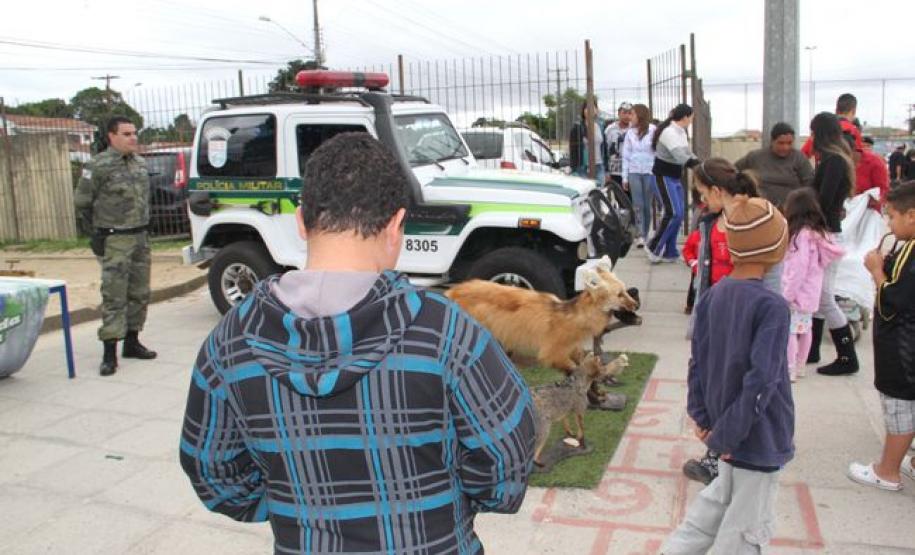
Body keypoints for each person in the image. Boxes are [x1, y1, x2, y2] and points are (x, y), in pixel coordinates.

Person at [179, 132, 535, 554]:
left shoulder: (229, 343)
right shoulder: (446, 332)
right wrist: (448, 500)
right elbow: (507, 458)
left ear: (300, 220)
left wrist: (292, 506)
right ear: (396, 225)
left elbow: (213, 472)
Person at [663, 195, 792, 554]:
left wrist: (705, 420)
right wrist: (725, 437)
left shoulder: (712, 296)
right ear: (777, 250)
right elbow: (761, 381)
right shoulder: (772, 307)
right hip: (756, 437)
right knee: (744, 530)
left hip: (724, 428)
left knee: (711, 512)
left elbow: (697, 362)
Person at [680, 158, 758, 486]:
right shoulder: (709, 221)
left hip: (744, 317)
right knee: (714, 383)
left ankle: (726, 455)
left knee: (738, 386)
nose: (701, 200)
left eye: (702, 193)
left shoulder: (755, 216)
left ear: (716, 190)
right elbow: (704, 274)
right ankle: (718, 451)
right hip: (715, 315)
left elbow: (771, 273)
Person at [73, 116, 157, 376]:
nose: (133, 138)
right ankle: (109, 352)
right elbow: (82, 202)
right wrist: (96, 234)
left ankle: (132, 341)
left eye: (134, 133)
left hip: (140, 237)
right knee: (114, 295)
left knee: (140, 292)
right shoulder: (97, 165)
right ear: (112, 136)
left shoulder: (140, 163)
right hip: (115, 239)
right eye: (126, 134)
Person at [847, 181, 915, 491]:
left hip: (903, 347)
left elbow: (895, 301)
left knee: (900, 407)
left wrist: (876, 269)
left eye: (892, 216)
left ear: (911, 215)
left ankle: (887, 471)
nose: (889, 223)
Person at [806, 112, 861, 376]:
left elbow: (824, 199)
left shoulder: (833, 161)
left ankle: (847, 356)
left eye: (813, 132)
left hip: (826, 234)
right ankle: (812, 349)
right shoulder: (834, 159)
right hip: (826, 232)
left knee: (825, 298)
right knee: (819, 294)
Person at [780, 188, 844, 382]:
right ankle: (800, 366)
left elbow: (798, 269)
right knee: (805, 329)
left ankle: (790, 367)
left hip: (797, 293)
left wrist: (787, 294)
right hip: (811, 293)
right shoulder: (818, 235)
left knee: (790, 331)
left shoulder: (799, 237)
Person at [648, 103, 700, 263]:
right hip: (663, 177)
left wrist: (700, 163)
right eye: (691, 117)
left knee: (679, 214)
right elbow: (680, 156)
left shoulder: (681, 132)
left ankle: (670, 252)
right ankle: (653, 247)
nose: (692, 120)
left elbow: (687, 152)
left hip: (674, 177)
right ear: (685, 117)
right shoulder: (669, 132)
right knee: (672, 213)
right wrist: (698, 166)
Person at [735, 122, 813, 207]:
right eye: (781, 143)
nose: (785, 147)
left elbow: (810, 184)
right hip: (760, 208)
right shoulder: (755, 157)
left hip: (790, 209)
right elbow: (733, 171)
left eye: (789, 143)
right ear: (772, 141)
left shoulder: (799, 158)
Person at [621, 103, 656, 247]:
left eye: (633, 114)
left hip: (649, 171)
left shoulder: (653, 130)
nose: (630, 117)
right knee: (637, 204)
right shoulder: (630, 133)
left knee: (647, 205)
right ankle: (640, 234)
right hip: (634, 171)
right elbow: (626, 155)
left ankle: (646, 233)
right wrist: (625, 176)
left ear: (640, 115)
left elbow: (657, 151)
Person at [801, 93, 864, 158]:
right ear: (854, 111)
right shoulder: (854, 131)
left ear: (836, 110)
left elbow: (803, 154)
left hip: (823, 163)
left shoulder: (822, 128)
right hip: (846, 163)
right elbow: (859, 157)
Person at [570, 98, 605, 185]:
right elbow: (573, 150)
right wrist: (574, 169)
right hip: (583, 167)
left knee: (599, 191)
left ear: (596, 110)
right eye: (587, 108)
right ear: (583, 111)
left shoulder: (600, 125)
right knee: (586, 191)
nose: (589, 110)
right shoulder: (577, 127)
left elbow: (604, 147)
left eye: (593, 107)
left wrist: (606, 168)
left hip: (599, 165)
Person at [853, 138, 890, 208]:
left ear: (872, 147)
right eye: (863, 146)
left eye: (868, 146)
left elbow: (883, 187)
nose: (866, 148)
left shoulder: (878, 161)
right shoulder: (854, 159)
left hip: (869, 206)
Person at [605, 101, 634, 187]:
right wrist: (606, 172)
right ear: (618, 113)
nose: (627, 116)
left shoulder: (634, 129)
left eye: (629, 113)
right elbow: (605, 151)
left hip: (631, 171)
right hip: (614, 171)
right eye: (624, 113)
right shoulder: (609, 130)